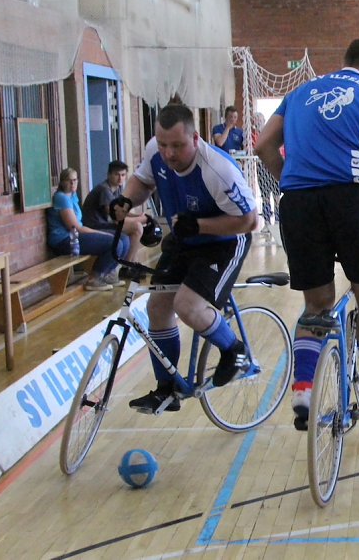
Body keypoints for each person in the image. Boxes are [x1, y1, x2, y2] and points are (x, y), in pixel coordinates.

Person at [255, 38, 359, 425]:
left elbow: (263, 145)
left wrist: (291, 181)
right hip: (351, 200)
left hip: (299, 204)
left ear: (344, 61)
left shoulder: (299, 92)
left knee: (316, 302)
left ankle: (303, 388)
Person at [111, 103, 258, 413]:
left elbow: (249, 221)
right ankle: (167, 390)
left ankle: (235, 350)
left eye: (177, 146)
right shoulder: (157, 150)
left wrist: (201, 225)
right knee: (157, 304)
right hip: (186, 237)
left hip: (225, 241)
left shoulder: (218, 170)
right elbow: (143, 180)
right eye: (163, 145)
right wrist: (126, 199)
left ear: (194, 139)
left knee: (186, 305)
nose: (168, 153)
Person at [46, 168, 129, 291]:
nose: (73, 183)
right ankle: (94, 278)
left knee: (124, 239)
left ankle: (108, 274)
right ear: (62, 182)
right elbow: (76, 228)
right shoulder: (61, 198)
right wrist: (101, 233)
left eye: (75, 180)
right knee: (115, 242)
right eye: (69, 181)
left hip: (76, 236)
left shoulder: (73, 196)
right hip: (64, 240)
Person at [81, 160, 148, 261]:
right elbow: (114, 215)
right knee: (137, 227)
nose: (120, 178)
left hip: (104, 224)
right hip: (94, 226)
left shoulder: (117, 189)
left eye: (123, 175)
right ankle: (127, 265)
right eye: (117, 174)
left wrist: (137, 216)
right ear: (109, 175)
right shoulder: (104, 189)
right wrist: (140, 219)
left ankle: (130, 264)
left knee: (137, 227)